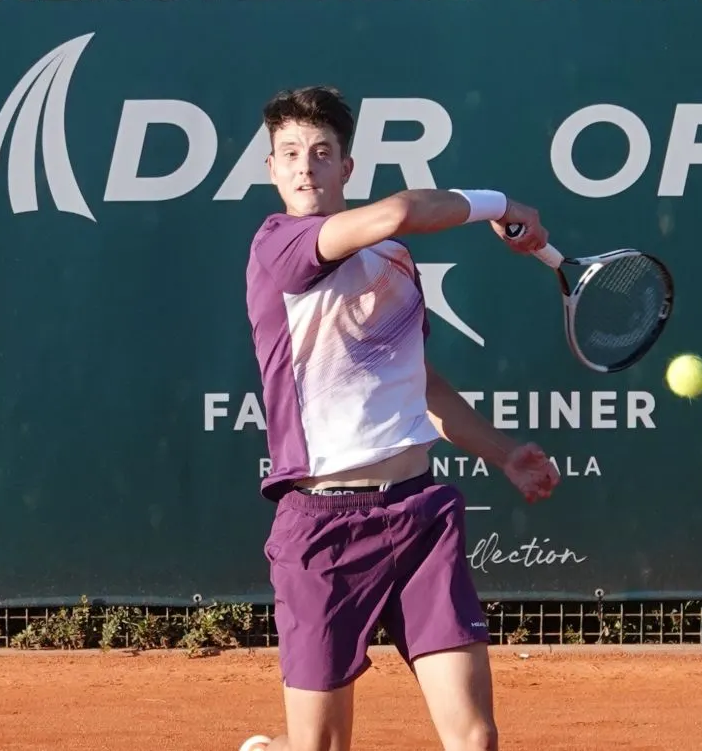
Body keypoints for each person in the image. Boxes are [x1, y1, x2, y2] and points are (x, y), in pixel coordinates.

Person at [240, 85, 562, 751]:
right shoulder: (280, 245)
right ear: (271, 168)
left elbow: (422, 383)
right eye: (291, 153)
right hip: (323, 529)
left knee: (475, 738)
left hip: (420, 515)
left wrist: (502, 452)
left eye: (323, 153)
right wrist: (500, 206)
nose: (306, 167)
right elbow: (400, 210)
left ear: (345, 169)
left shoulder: (390, 260)